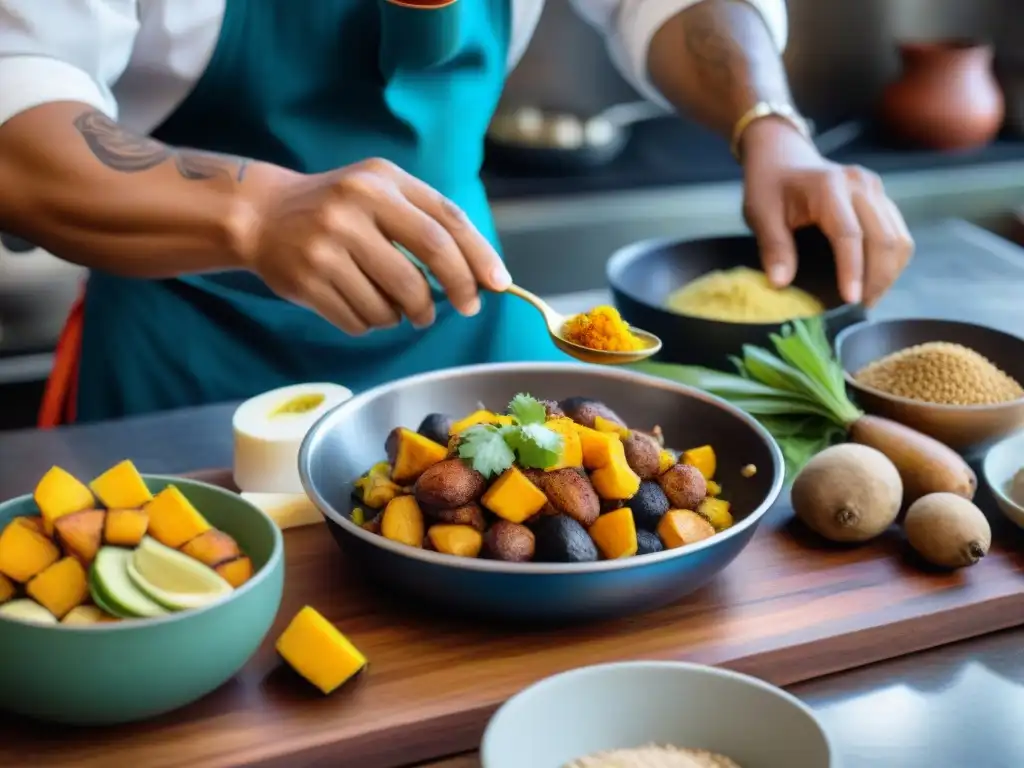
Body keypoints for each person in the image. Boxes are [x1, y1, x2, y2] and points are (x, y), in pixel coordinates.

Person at [0, 0, 913, 426]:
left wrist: (770, 123)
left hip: (473, 325)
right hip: (190, 366)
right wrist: (257, 210)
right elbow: (17, 117)